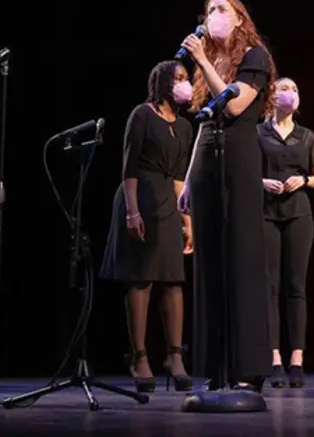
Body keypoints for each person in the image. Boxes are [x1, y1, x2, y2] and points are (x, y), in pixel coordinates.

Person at [177, 0, 278, 393]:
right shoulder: (211, 64)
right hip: (209, 163)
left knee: (239, 258)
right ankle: (217, 367)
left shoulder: (255, 56)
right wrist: (188, 177)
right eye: (209, 10)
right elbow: (205, 123)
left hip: (238, 161)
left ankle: (247, 366)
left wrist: (201, 59)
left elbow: (233, 108)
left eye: (221, 9)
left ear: (240, 19)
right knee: (211, 264)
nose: (212, 16)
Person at [98, 60, 195, 393]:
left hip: (169, 204)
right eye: (179, 78)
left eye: (187, 78)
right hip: (140, 199)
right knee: (141, 278)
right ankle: (138, 356)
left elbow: (181, 178)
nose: (186, 84)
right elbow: (129, 167)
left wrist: (188, 221)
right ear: (164, 82)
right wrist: (131, 211)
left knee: (173, 280)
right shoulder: (142, 114)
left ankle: (175, 356)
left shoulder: (184, 127)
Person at [258, 77, 314, 388]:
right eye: (285, 88)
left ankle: (296, 359)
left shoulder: (308, 136)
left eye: (296, 89)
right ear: (272, 95)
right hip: (266, 214)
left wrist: (303, 180)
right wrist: (262, 182)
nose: (291, 94)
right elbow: (244, 172)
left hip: (299, 214)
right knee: (270, 288)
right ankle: (274, 358)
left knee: (295, 287)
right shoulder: (258, 133)